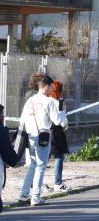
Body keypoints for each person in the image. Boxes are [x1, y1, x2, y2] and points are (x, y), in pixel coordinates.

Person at [18, 75, 66, 206]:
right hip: (43, 136)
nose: (51, 89)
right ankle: (36, 197)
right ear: (46, 86)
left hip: (30, 136)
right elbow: (57, 121)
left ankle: (23, 194)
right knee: (41, 167)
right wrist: (62, 112)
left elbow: (22, 119)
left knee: (33, 165)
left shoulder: (30, 100)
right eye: (50, 86)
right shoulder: (48, 101)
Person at [49, 80, 69, 191]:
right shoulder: (60, 102)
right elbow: (62, 120)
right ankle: (58, 182)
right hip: (57, 132)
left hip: (46, 130)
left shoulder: (47, 100)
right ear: (60, 90)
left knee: (43, 159)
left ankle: (37, 183)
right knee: (59, 156)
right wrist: (66, 126)